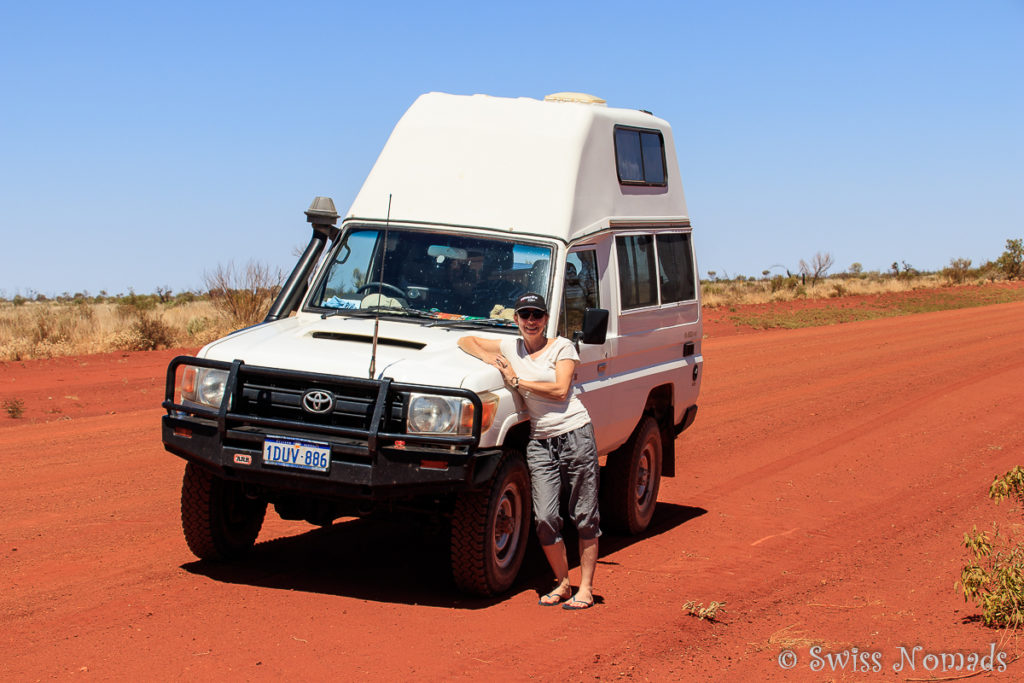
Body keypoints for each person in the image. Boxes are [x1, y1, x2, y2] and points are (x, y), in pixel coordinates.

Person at [456, 292, 600, 610]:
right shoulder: (511, 346)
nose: (531, 321)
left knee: (584, 516)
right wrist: (494, 362)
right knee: (545, 518)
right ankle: (563, 582)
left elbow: (561, 389)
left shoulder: (563, 347)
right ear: (516, 320)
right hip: (540, 443)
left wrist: (517, 380)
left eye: (537, 315)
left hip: (574, 434)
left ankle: (586, 588)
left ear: (546, 319)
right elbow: (467, 340)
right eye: (525, 315)